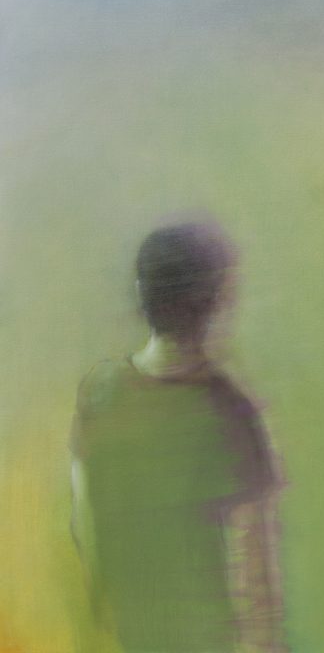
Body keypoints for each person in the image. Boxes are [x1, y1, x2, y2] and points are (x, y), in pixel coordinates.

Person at [70, 222, 286, 653]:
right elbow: (254, 575)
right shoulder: (231, 412)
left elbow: (86, 522)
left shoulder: (100, 393)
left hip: (124, 638)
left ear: (142, 295)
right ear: (216, 301)